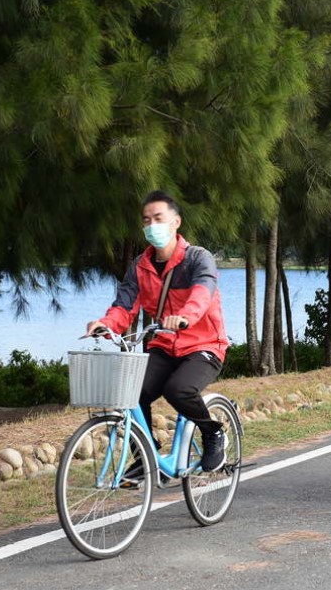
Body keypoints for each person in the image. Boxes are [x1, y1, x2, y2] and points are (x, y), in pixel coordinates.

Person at [86, 190, 229, 475]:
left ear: (176, 221)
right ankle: (147, 457)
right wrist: (105, 324)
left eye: (158, 218)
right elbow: (124, 306)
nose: (152, 225)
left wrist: (185, 317)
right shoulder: (141, 266)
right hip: (165, 344)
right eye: (146, 220)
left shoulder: (198, 259)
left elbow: (201, 295)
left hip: (205, 345)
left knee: (178, 389)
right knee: (131, 391)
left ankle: (213, 432)